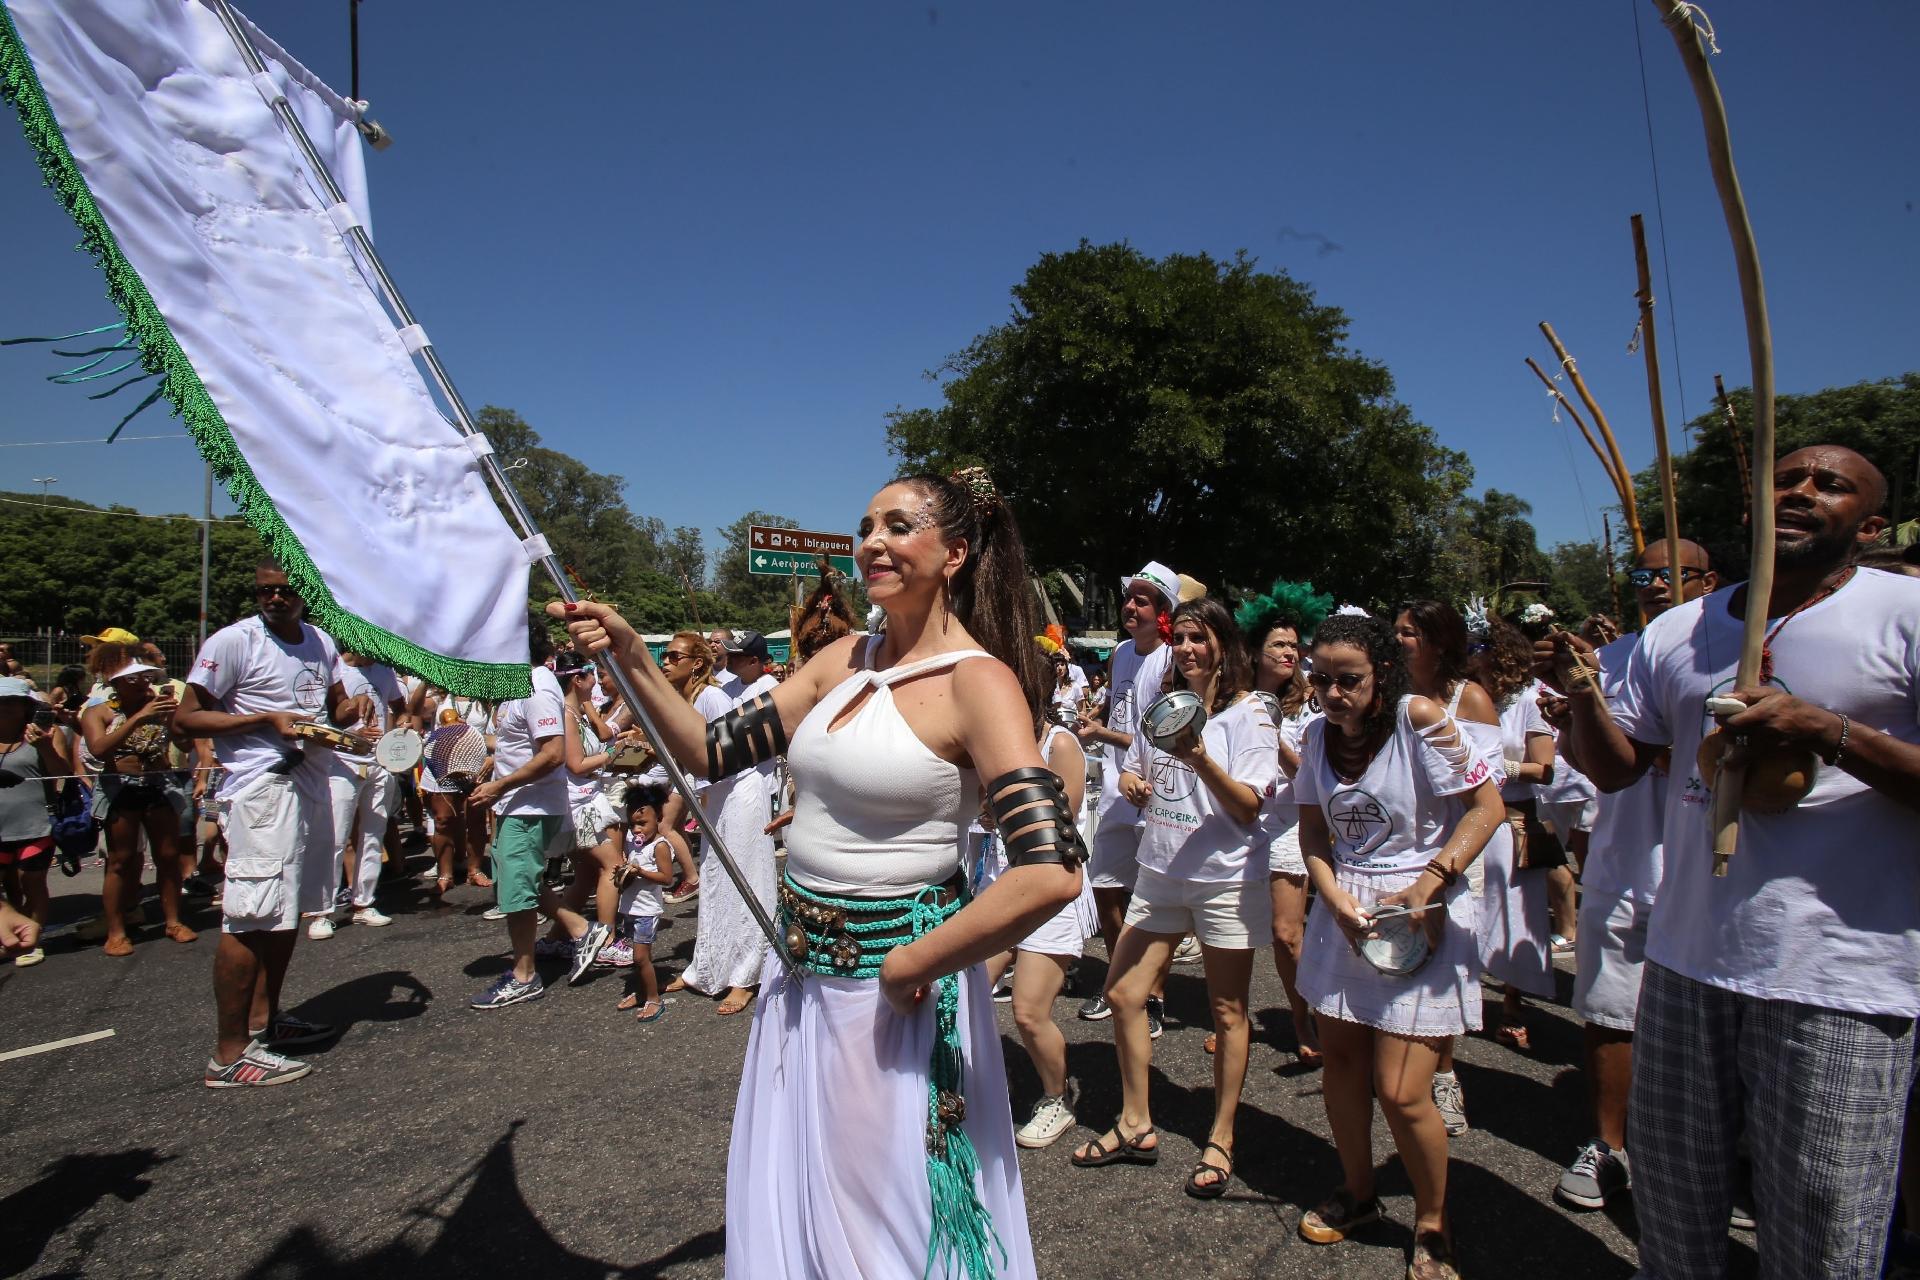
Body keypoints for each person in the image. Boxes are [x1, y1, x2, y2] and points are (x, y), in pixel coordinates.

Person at [556, 467, 1081, 1280]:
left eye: (899, 526)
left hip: (894, 992)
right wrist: (630, 650)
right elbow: (708, 749)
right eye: (867, 524)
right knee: (808, 1187)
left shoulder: (979, 683)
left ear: (955, 553)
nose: (873, 540)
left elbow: (1049, 871)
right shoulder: (841, 659)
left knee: (885, 1213)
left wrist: (915, 961)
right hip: (799, 977)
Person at [1542, 445, 1920, 1279]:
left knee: (1819, 1231)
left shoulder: (1906, 612)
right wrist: (1581, 695)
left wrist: (1830, 733)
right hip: (1686, 962)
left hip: (1841, 977)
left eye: (1831, 484)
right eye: (1787, 477)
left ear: (1872, 523)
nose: (1803, 491)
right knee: (1674, 1208)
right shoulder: (1682, 627)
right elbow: (1616, 768)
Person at [1291, 612, 1504, 1280]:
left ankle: (1434, 1223)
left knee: (1403, 1089)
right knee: (1343, 1065)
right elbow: (1314, 834)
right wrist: (1330, 897)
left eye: (1347, 680)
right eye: (1320, 679)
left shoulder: (1419, 718)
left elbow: (1487, 807)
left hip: (1420, 908)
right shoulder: (1315, 737)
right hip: (1345, 911)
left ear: (1380, 673)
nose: (1331, 693)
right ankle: (1359, 1193)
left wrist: (1429, 883)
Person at [1071, 596, 1277, 1200]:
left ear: (1223, 643)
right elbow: (1134, 765)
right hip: (1160, 869)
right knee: (1123, 992)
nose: (1187, 649)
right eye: (1181, 637)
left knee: (1228, 1011)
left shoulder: (1251, 715)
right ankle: (1136, 1122)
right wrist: (1133, 780)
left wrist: (1200, 758)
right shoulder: (1163, 705)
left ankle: (1221, 1134)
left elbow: (1248, 807)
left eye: (1200, 638)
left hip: (1224, 878)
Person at [1546, 538, 1716, 1211]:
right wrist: (1576, 716)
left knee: (1710, 1021)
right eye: (1644, 573)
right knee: (1612, 1008)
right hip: (1626, 857)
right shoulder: (1611, 662)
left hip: (1709, 863)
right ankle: (1610, 1145)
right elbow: (1593, 764)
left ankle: (1709, 1154)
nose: (1656, 585)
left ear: (1711, 582)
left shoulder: (1737, 657)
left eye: (1673, 574)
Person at [176, 562, 355, 1086]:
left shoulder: (320, 641)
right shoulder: (234, 641)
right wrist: (263, 721)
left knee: (285, 912)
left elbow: (336, 707)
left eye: (284, 590)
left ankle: (265, 1021)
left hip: (310, 783)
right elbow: (185, 718)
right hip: (261, 790)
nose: (274, 598)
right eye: (265, 591)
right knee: (249, 915)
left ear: (305, 593)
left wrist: (350, 710)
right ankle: (229, 1053)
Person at [1395, 598, 1506, 1135]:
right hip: (1399, 851)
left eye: (1410, 632)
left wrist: (1446, 864)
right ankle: (1403, 1070)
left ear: (1440, 641)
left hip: (1456, 852)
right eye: (1396, 630)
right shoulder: (1388, 696)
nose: (1399, 640)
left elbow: (1487, 791)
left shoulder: (1472, 699)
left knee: (1443, 968)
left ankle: (1443, 1074)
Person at [976, 641, 1093, 1149]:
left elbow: (1061, 823)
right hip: (999, 887)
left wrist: (997, 809)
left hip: (1049, 893)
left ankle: (1056, 1096)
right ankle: (976, 1083)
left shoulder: (1059, 744)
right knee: (967, 994)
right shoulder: (988, 742)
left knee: (1028, 1012)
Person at [466, 624, 610, 1009]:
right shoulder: (518, 684)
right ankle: (581, 930)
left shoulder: (536, 685)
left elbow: (552, 754)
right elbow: (525, 741)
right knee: (517, 882)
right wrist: (493, 760)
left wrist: (501, 785)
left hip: (530, 806)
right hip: (518, 804)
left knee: (516, 890)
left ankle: (525, 975)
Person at [1074, 561, 1179, 1028]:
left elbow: (1160, 733)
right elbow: (1120, 712)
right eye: (1129, 597)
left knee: (1154, 899)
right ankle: (1120, 980)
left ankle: (1153, 995)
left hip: (1155, 791)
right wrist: (1093, 718)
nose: (1130, 605)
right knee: (1105, 889)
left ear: (1163, 612)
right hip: (1119, 790)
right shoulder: (1119, 652)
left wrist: (1104, 734)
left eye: (1142, 599)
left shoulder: (1173, 659)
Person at [1239, 581, 1330, 1067]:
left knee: (1286, 933)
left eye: (1295, 645)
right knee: (1237, 931)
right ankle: (1236, 1023)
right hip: (1242, 826)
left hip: (1291, 829)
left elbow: (1311, 776)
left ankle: (1303, 1019)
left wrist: (1272, 737)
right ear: (1256, 650)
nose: (1290, 652)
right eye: (1279, 644)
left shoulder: (1311, 704)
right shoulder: (1232, 699)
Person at [672, 629, 782, 1015]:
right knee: (717, 879)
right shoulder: (715, 689)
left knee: (746, 877)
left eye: (673, 657)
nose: (729, 661)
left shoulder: (733, 692)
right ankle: (707, 967)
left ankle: (747, 974)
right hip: (718, 794)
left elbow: (726, 752)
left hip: (743, 789)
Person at [1471, 618, 1557, 1051]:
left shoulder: (1530, 700)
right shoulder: (1469, 698)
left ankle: (1512, 1003)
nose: (1472, 655)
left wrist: (1503, 768)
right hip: (1467, 817)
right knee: (1470, 910)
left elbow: (1545, 767)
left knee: (1511, 910)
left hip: (1511, 819)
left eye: (1478, 647)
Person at [80, 650, 197, 954]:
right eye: (135, 679)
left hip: (159, 784)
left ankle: (173, 921)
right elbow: (98, 749)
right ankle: (116, 931)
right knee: (121, 859)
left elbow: (185, 743)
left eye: (147, 677)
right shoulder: (99, 712)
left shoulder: (159, 707)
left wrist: (176, 721)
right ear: (116, 683)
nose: (144, 683)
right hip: (121, 786)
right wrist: (137, 719)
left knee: (168, 855)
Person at [306, 650, 407, 936]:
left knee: (374, 835)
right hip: (341, 763)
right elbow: (318, 718)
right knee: (334, 837)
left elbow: (400, 709)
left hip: (379, 763)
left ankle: (363, 903)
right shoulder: (333, 667)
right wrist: (352, 737)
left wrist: (402, 727)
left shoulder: (384, 671)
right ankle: (321, 912)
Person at [0, 677, 65, 967]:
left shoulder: (45, 734)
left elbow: (63, 773)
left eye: (11, 702)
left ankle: (33, 936)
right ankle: (11, 931)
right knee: (7, 884)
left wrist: (46, 748)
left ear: (25, 705)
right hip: (1, 827)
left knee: (32, 880)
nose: (4, 708)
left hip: (36, 824)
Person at [417, 684, 495, 896]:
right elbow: (418, 710)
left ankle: (475, 869)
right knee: (443, 820)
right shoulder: (440, 697)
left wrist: (492, 757)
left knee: (476, 818)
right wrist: (424, 681)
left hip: (476, 764)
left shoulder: (485, 698)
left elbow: (496, 733)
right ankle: (445, 873)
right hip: (441, 764)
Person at [614, 783, 674, 1023]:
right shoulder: (634, 842)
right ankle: (641, 991)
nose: (637, 829)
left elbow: (667, 878)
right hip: (630, 907)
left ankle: (653, 998)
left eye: (643, 824)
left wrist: (640, 873)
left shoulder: (659, 846)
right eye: (633, 824)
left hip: (647, 910)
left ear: (658, 817)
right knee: (637, 959)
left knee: (640, 957)